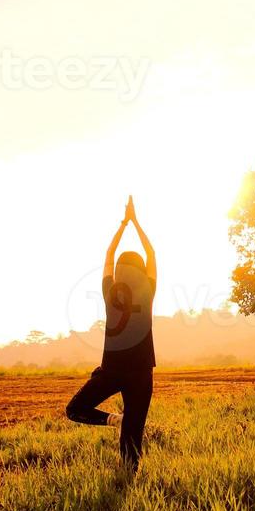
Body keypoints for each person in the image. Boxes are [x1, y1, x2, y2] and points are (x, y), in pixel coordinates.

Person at [66, 196, 157, 470]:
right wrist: (136, 223)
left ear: (118, 271)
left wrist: (123, 225)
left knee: (74, 410)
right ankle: (128, 473)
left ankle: (112, 420)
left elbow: (109, 254)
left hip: (113, 370)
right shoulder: (148, 291)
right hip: (142, 373)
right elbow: (151, 255)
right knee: (133, 441)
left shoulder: (109, 291)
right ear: (141, 270)